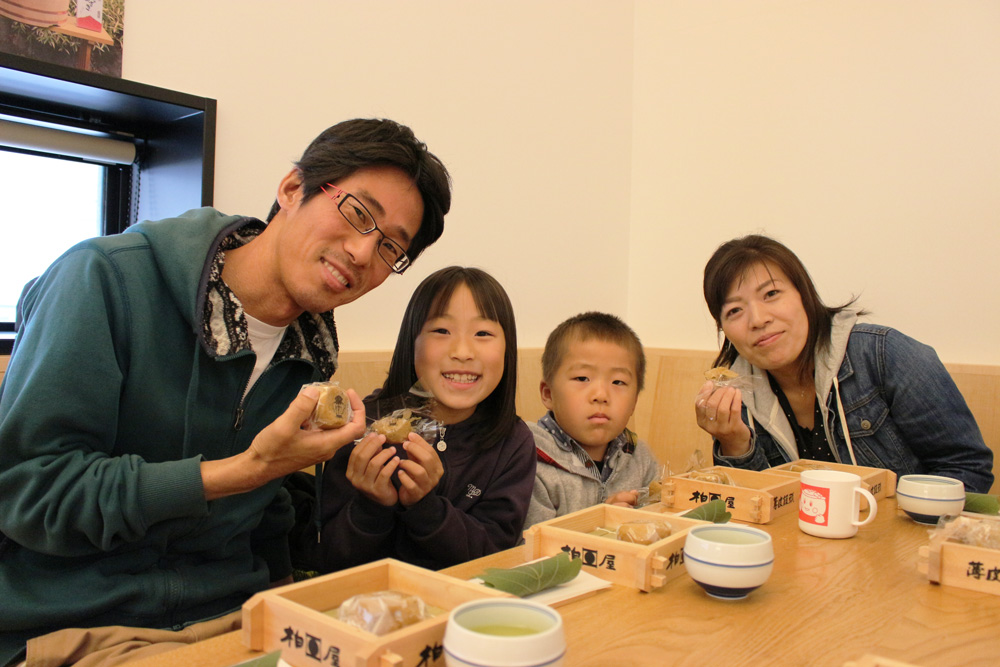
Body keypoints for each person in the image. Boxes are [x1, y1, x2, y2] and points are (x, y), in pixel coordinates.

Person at [0, 118, 451, 665]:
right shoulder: (102, 280)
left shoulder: (311, 351)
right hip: (81, 626)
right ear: (291, 188)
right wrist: (244, 470)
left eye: (389, 249)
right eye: (358, 213)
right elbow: (29, 491)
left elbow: (269, 515)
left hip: (237, 620)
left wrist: (293, 606)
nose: (361, 252)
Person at [694, 234, 994, 493]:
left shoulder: (884, 354)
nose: (758, 319)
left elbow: (966, 467)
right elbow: (757, 506)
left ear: (804, 294)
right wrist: (734, 442)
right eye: (734, 310)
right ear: (724, 329)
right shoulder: (736, 393)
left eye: (771, 294)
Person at [307, 266, 535, 572]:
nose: (463, 351)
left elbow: (494, 559)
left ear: (507, 349)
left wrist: (426, 508)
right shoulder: (363, 427)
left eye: (483, 333)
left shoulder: (513, 442)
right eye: (441, 331)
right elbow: (330, 560)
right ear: (411, 342)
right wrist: (372, 505)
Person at [524, 312, 661, 528]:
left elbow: (659, 524)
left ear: (634, 401)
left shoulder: (640, 459)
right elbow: (529, 549)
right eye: (582, 378)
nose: (601, 395)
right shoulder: (529, 459)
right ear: (548, 394)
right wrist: (599, 523)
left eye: (618, 382)